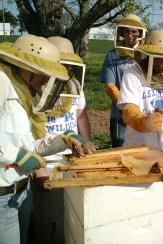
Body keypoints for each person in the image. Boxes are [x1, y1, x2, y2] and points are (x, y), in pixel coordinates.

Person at [0, 34, 95, 244]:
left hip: (21, 191)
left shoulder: (25, 90)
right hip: (3, 195)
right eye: (45, 71)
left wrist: (65, 138)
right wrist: (15, 155)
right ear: (28, 65)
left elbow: (31, 144)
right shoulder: (2, 82)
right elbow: (17, 150)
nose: (47, 79)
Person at [30, 36, 92, 244]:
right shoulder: (34, 88)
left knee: (73, 214)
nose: (64, 70)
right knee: (46, 219)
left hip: (71, 159)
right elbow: (28, 133)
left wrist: (86, 146)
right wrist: (37, 170)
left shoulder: (74, 86)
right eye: (60, 65)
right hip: (44, 162)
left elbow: (81, 116)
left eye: (68, 66)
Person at [117, 29, 163, 160]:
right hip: (137, 151)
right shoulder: (132, 75)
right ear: (148, 54)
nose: (161, 63)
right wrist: (144, 121)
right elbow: (128, 110)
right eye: (157, 57)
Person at [100, 13, 147, 147]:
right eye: (127, 31)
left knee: (142, 151)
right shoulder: (112, 55)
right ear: (122, 32)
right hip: (120, 113)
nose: (130, 35)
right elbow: (110, 87)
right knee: (119, 148)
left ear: (140, 34)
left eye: (134, 31)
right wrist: (127, 109)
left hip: (143, 112)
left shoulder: (147, 56)